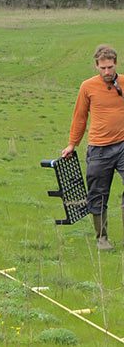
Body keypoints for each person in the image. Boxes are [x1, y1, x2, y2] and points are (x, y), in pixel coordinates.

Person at [62, 44, 124, 251]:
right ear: (96, 66)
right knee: (98, 193)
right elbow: (80, 116)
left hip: (123, 145)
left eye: (110, 67)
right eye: (103, 68)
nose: (107, 72)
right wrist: (72, 144)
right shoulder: (87, 87)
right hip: (99, 149)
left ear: (116, 64)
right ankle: (102, 238)